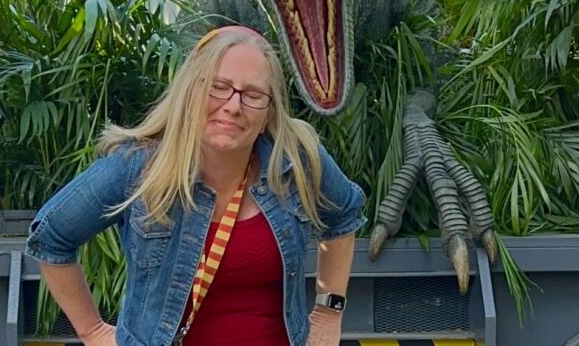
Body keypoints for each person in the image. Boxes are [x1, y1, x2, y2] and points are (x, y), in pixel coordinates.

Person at [25, 25, 366, 346]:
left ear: (268, 114)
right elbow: (51, 236)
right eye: (218, 87)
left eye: (252, 95)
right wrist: (94, 332)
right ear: (190, 92)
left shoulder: (295, 161)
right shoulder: (139, 168)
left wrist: (328, 311)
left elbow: (345, 214)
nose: (233, 106)